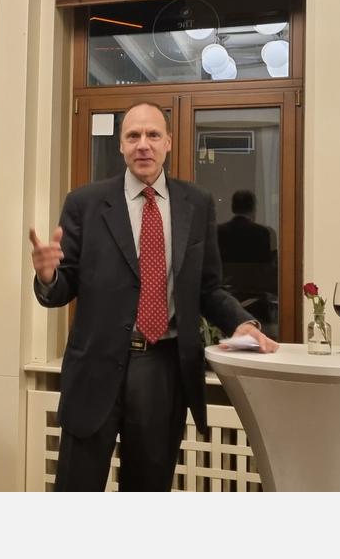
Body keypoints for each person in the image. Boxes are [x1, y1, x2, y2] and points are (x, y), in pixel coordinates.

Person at [28, 101, 278, 492]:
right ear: (121, 146)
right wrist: (48, 276)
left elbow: (209, 287)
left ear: (168, 143)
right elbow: (63, 287)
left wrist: (241, 322)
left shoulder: (196, 204)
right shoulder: (85, 203)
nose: (143, 144)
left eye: (152, 135)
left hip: (163, 369)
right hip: (95, 370)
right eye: (133, 136)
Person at [217, 189, 274, 265]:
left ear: (233, 207)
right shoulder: (262, 232)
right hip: (254, 273)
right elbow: (266, 265)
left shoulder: (219, 231)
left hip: (227, 273)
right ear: (253, 208)